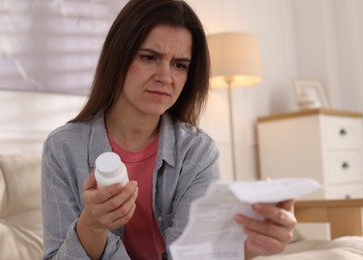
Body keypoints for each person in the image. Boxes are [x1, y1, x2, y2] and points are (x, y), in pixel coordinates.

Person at [41, 0, 297, 259]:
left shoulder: (197, 152)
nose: (166, 77)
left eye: (179, 65)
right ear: (118, 56)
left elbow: (193, 254)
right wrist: (91, 226)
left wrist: (245, 250)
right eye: (150, 57)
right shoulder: (62, 148)